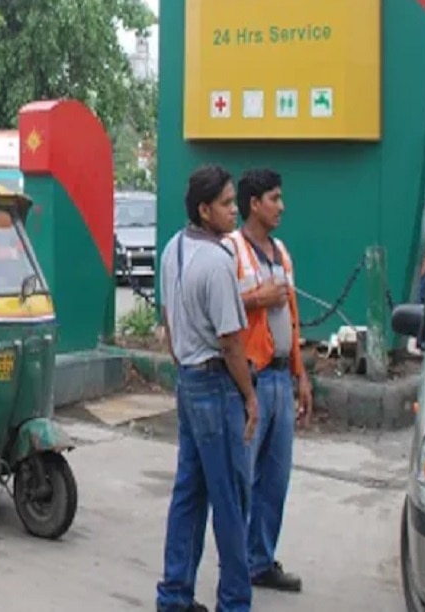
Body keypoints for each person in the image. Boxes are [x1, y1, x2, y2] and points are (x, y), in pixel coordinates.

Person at [156, 165, 258, 612]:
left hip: (189, 381)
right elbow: (231, 341)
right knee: (231, 497)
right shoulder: (217, 261)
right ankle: (234, 600)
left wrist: (184, 362)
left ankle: (174, 594)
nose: (234, 211)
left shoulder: (173, 250)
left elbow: (167, 318)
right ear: (204, 209)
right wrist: (250, 398)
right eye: (226, 204)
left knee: (189, 492)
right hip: (215, 385)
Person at [227, 169, 309, 594]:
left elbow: (291, 315)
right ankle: (236, 566)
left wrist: (301, 372)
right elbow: (215, 304)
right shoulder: (232, 250)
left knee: (275, 478)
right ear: (254, 203)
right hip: (251, 380)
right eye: (274, 198)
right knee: (242, 477)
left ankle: (260, 561)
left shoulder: (281, 252)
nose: (281, 206)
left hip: (280, 377)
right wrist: (258, 298)